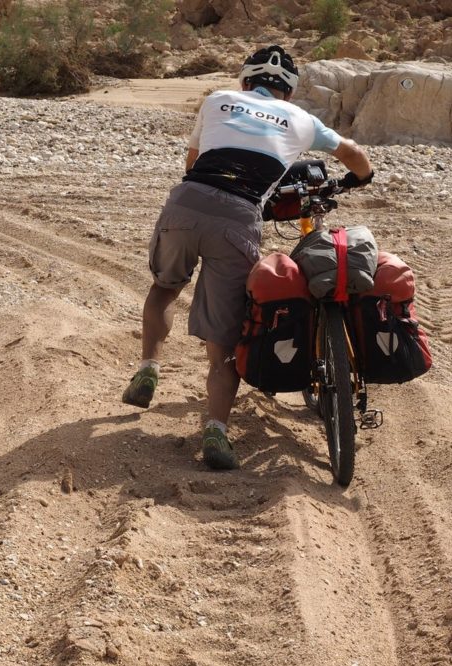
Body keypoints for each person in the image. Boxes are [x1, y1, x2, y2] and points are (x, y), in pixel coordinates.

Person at [121, 45, 374, 470]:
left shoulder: (217, 99)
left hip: (187, 203)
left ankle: (149, 367)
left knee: (164, 288)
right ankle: (216, 431)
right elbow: (353, 155)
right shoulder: (302, 121)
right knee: (225, 338)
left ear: (244, 82)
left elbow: (193, 161)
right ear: (288, 94)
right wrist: (361, 178)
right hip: (238, 219)